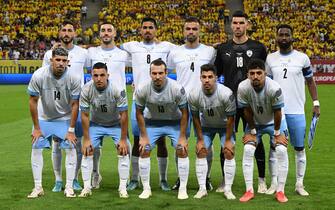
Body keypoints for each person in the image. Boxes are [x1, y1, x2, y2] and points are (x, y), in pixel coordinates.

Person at [214, 10, 268, 193]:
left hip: (252, 104)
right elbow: (216, 75)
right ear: (231, 26)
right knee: (226, 140)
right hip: (229, 103)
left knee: (256, 139)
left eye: (241, 23)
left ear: (247, 24)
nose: (237, 26)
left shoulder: (259, 47)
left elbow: (263, 74)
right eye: (235, 23)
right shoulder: (222, 49)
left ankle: (261, 180)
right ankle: (224, 179)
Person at [121, 17, 176, 191]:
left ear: (156, 30)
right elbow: (114, 48)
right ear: (140, 30)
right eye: (144, 27)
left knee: (160, 141)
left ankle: (163, 179)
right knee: (138, 140)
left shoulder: (166, 47)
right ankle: (135, 178)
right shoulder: (132, 46)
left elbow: (183, 51)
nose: (147, 30)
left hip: (160, 100)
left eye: (150, 27)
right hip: (139, 100)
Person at [266, 24, 320, 196]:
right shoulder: (270, 59)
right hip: (276, 111)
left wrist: (316, 102)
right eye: (280, 34)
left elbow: (310, 81)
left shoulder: (303, 58)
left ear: (292, 37)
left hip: (297, 110)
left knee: (299, 148)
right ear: (276, 37)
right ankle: (274, 183)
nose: (283, 37)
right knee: (275, 147)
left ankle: (299, 184)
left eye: (286, 35)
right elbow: (266, 84)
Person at [167, 16, 216, 191]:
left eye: (194, 29)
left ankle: (207, 177)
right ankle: (182, 178)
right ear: (183, 31)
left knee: (206, 143)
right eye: (188, 29)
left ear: (199, 31)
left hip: (204, 102)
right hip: (181, 103)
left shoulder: (210, 51)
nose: (191, 32)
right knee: (180, 142)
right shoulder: (175, 53)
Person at [27, 47, 81, 198]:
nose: (61, 63)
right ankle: (38, 187)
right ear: (51, 60)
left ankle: (69, 187)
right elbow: (32, 101)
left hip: (64, 118)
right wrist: (37, 128)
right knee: (36, 146)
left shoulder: (73, 77)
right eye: (57, 60)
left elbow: (75, 104)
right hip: (44, 118)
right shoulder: (39, 75)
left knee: (71, 147)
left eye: (64, 61)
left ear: (68, 62)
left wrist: (70, 130)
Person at [42, 20, 89, 192]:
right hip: (57, 106)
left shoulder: (84, 53)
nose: (67, 33)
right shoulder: (49, 54)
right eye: (64, 30)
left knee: (75, 142)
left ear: (75, 34)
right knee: (56, 143)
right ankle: (58, 180)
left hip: (77, 104)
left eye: (70, 30)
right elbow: (44, 78)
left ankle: (74, 178)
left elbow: (94, 72)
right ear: (59, 33)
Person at [135, 59, 189, 199]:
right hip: (152, 123)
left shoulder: (177, 88)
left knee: (181, 149)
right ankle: (146, 188)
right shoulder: (142, 88)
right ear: (150, 74)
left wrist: (182, 136)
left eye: (160, 73)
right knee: (144, 149)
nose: (157, 76)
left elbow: (185, 113)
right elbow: (139, 113)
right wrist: (144, 136)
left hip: (174, 122)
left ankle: (182, 188)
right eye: (154, 73)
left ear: (166, 73)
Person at [238, 58, 289, 203]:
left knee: (281, 150)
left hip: (275, 122)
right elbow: (246, 111)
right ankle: (249, 190)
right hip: (256, 123)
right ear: (248, 74)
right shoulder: (243, 87)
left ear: (265, 74)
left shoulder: (274, 88)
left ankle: (280, 191)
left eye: (259, 73)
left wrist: (277, 133)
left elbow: (278, 112)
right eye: (252, 73)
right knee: (248, 149)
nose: (255, 76)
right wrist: (252, 131)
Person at [87, 22, 129, 189]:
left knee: (124, 145)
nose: (106, 33)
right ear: (99, 34)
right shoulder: (91, 53)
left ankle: (129, 180)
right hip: (97, 105)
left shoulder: (124, 54)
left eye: (109, 30)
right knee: (94, 146)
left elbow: (143, 65)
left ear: (115, 33)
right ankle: (95, 174)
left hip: (118, 106)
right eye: (103, 30)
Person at [78, 62, 130, 198]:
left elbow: (124, 114)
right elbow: (84, 114)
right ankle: (87, 187)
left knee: (123, 149)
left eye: (102, 75)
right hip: (96, 124)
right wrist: (86, 139)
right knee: (87, 149)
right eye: (95, 75)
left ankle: (123, 187)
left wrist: (124, 139)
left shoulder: (117, 89)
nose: (99, 78)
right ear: (91, 76)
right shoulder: (86, 89)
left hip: (115, 124)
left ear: (108, 75)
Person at [188, 64, 236, 200]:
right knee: (201, 150)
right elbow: (196, 118)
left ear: (216, 78)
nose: (207, 80)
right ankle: (202, 188)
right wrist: (200, 139)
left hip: (224, 126)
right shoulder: (194, 94)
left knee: (228, 152)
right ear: (200, 78)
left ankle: (228, 189)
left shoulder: (226, 94)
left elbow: (231, 119)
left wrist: (227, 140)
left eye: (210, 77)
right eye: (204, 77)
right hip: (206, 126)